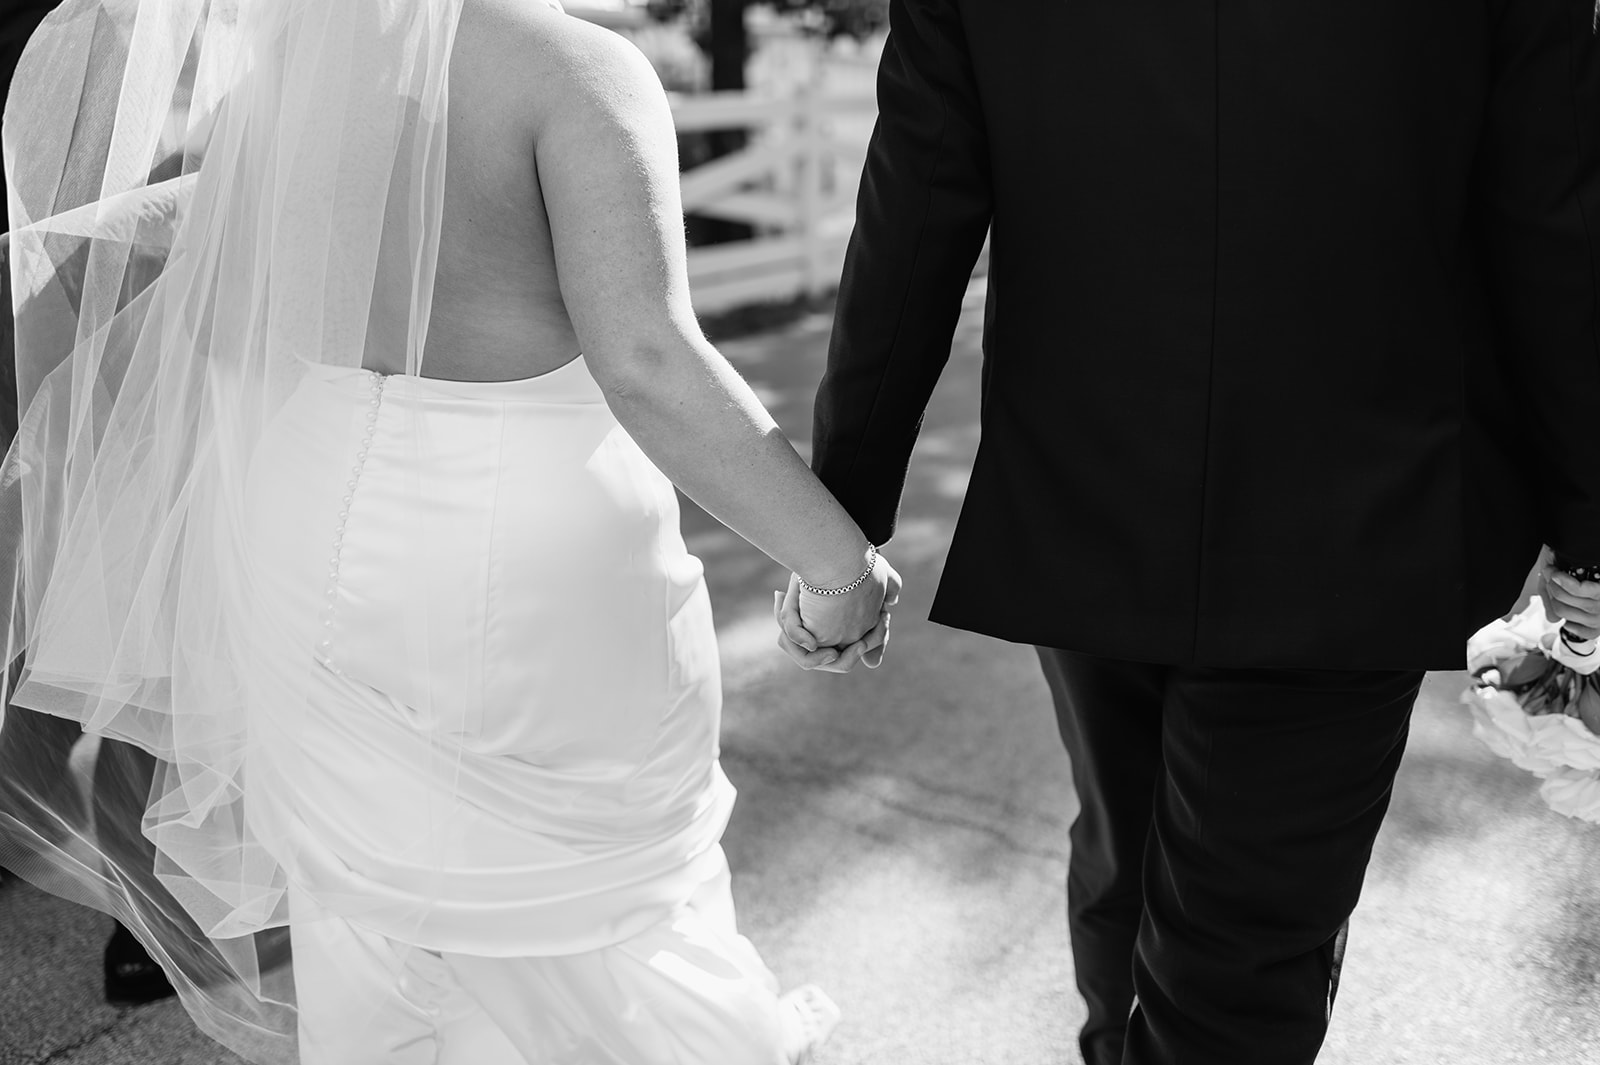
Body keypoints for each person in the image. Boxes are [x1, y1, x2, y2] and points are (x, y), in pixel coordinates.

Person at [0, 0, 896, 1062]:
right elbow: (648, 363)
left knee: (371, 917)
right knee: (601, 900)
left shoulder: (296, 75)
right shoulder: (574, 72)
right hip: (524, 551)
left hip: (308, 523)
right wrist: (838, 565)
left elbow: (200, 272)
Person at [799, 2, 1600, 1064]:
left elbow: (913, 214)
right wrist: (1586, 530)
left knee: (1125, 864)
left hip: (1084, 492)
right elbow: (1554, 223)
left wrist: (840, 526)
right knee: (1242, 955)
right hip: (1359, 515)